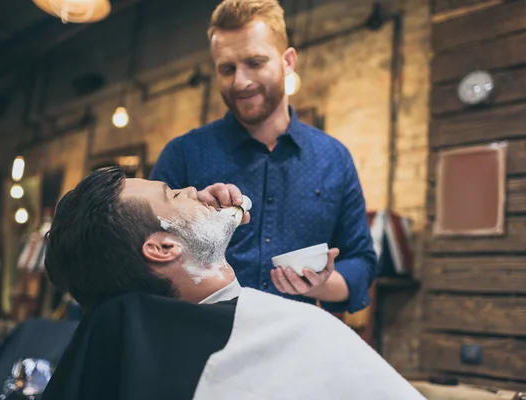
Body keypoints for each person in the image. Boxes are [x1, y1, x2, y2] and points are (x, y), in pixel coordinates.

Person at [41, 167, 425, 400]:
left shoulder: (121, 355)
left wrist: (192, 215)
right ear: (162, 247)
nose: (196, 190)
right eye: (174, 193)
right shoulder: (304, 331)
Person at [149, 0, 377, 314]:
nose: (240, 82)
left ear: (288, 61)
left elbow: (361, 262)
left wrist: (321, 283)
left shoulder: (334, 158)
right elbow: (140, 254)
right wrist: (186, 209)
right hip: (198, 341)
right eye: (227, 69)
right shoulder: (183, 153)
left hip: (295, 345)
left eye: (255, 62)